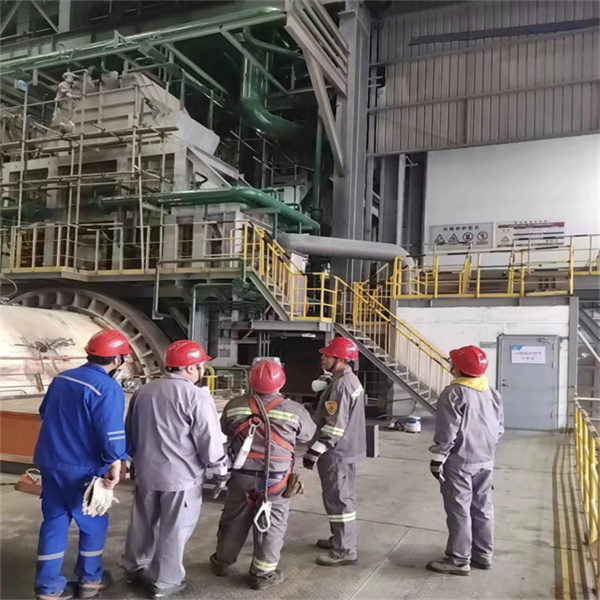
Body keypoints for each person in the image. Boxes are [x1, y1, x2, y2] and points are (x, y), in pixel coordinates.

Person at [121, 340, 228, 599]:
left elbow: (130, 432)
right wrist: (219, 467)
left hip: (146, 472)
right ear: (191, 367)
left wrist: (135, 460)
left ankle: (134, 566)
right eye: (201, 365)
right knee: (174, 529)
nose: (202, 370)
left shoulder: (143, 392)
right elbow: (208, 439)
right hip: (181, 477)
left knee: (142, 522)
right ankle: (165, 582)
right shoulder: (196, 396)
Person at [34, 329, 131, 600]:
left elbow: (44, 412)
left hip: (51, 462)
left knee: (54, 521)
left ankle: (48, 587)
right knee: (93, 521)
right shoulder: (107, 388)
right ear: (117, 360)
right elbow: (112, 435)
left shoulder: (62, 378)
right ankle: (90, 580)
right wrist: (115, 464)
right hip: (83, 468)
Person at [210, 359, 316, 590]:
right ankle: (262, 574)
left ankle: (222, 563)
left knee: (233, 520)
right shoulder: (294, 409)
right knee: (272, 525)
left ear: (251, 381)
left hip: (242, 475)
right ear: (282, 382)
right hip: (277, 479)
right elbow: (307, 435)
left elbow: (225, 428)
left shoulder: (235, 405)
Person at [427, 345, 504, 576]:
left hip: (460, 461)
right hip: (486, 459)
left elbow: (447, 431)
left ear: (458, 368)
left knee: (459, 509)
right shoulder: (491, 392)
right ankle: (483, 554)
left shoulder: (453, 393)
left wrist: (438, 458)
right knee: (483, 507)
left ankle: (459, 560)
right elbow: (499, 428)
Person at [303, 337, 366, 567]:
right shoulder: (345, 380)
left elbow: (335, 426)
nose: (322, 357)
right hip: (344, 449)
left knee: (339, 500)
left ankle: (345, 549)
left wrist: (316, 450)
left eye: (327, 355)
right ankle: (338, 538)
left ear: (339, 359)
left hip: (337, 452)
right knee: (336, 497)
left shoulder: (342, 385)